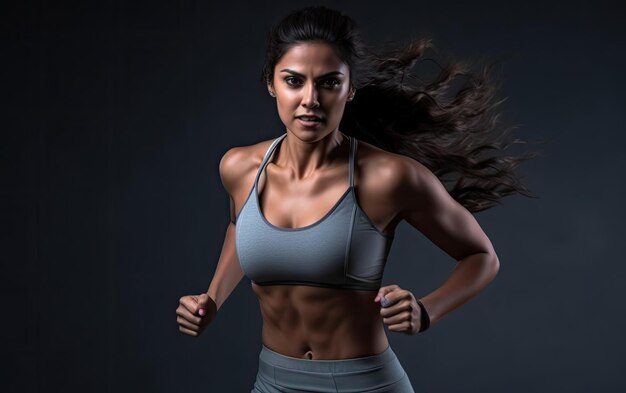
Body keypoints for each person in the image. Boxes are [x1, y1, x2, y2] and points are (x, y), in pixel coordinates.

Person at [176, 5, 535, 393]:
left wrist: (426, 311)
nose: (310, 99)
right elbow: (240, 227)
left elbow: (482, 257)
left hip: (364, 385)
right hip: (273, 382)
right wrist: (212, 298)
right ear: (271, 83)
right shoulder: (240, 168)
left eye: (329, 83)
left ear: (350, 89)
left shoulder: (387, 177)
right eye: (294, 81)